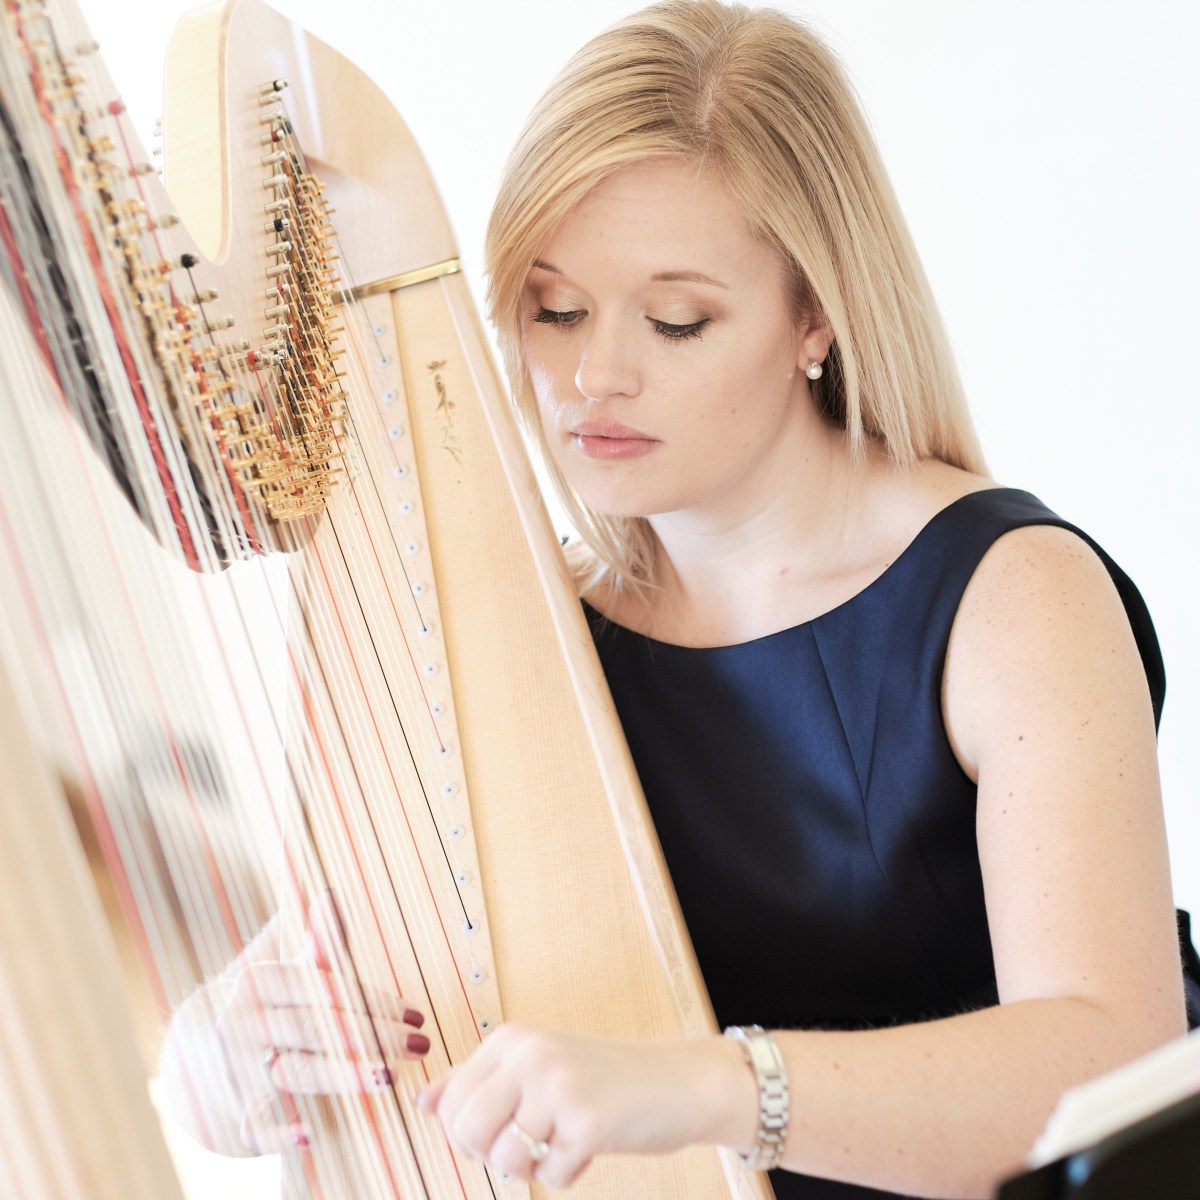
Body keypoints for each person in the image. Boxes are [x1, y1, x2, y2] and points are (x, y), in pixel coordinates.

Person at [161, 2, 1192, 1197]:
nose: (595, 375)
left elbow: (1109, 1053)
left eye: (676, 319)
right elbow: (410, 1010)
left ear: (817, 315)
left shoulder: (1010, 598)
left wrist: (708, 1087)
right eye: (554, 310)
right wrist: (218, 1070)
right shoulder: (520, 639)